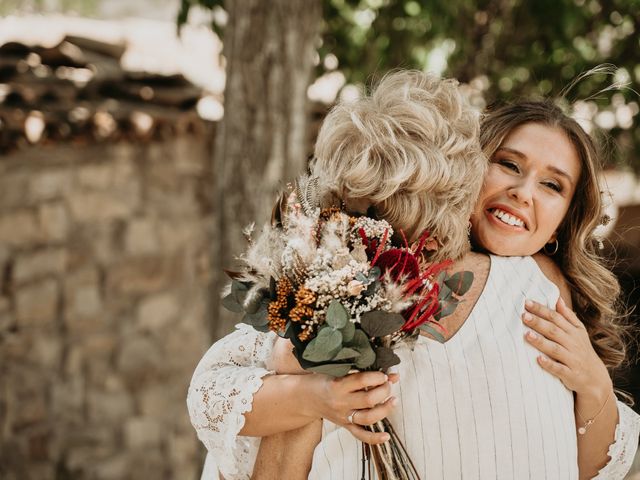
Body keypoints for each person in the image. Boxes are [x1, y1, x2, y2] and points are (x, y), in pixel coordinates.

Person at [186, 71, 640, 479]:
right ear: (470, 170)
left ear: (565, 218)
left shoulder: (544, 293)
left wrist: (594, 384)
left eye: (552, 185)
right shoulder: (341, 276)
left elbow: (591, 467)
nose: (523, 193)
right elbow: (217, 392)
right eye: (509, 164)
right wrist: (315, 392)